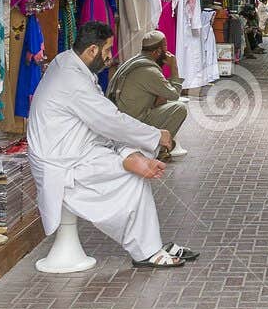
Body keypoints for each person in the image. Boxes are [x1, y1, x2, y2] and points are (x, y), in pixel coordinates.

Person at [26, 22, 197, 269]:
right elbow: (110, 121)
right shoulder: (72, 79)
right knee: (133, 179)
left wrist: (128, 152)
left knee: (131, 161)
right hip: (61, 162)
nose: (110, 56)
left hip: (74, 150)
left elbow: (101, 123)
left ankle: (150, 243)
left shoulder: (67, 62)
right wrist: (156, 136)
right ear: (92, 50)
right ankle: (147, 251)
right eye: (107, 50)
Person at [110, 32, 189, 159]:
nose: (168, 53)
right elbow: (174, 94)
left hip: (121, 119)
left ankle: (154, 144)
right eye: (165, 49)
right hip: (133, 123)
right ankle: (159, 149)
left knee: (166, 104)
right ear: (157, 52)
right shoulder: (149, 71)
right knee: (179, 108)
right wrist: (174, 67)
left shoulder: (132, 62)